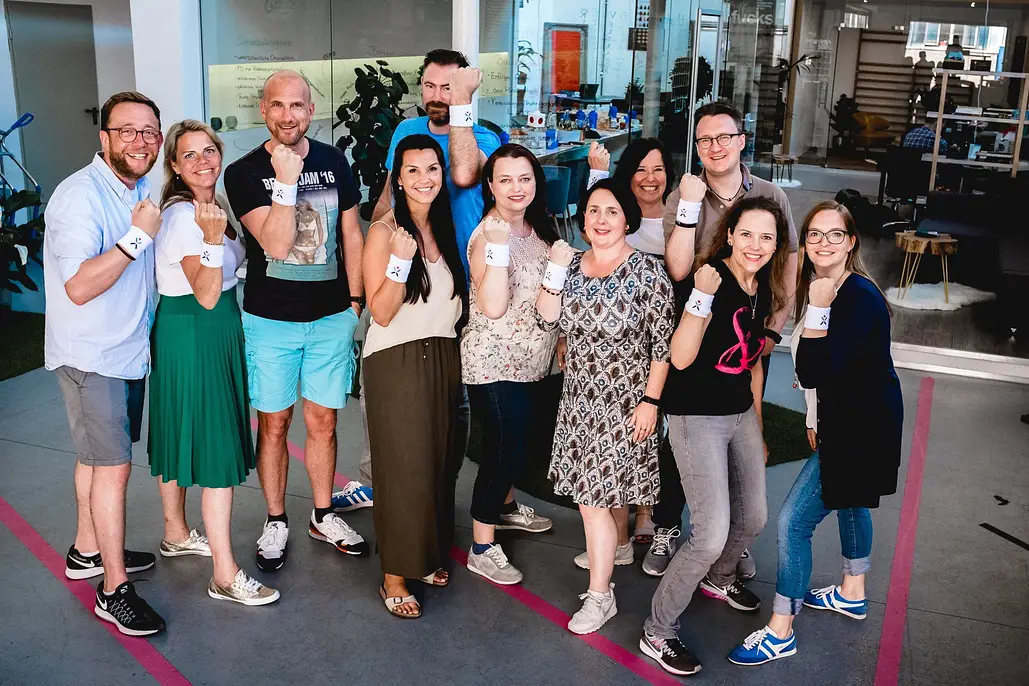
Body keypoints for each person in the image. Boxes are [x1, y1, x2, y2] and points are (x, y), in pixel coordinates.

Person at [728, 200, 903, 665]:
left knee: (792, 523)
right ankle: (852, 589)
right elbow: (829, 374)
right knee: (850, 500)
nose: (823, 242)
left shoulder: (854, 297)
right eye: (814, 234)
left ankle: (781, 628)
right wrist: (813, 418)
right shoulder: (831, 287)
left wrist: (820, 313)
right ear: (804, 244)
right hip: (853, 421)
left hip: (858, 431)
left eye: (834, 234)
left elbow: (811, 368)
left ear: (851, 243)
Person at [647, 102, 800, 579]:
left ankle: (734, 537)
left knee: (740, 438)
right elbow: (676, 267)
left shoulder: (771, 193)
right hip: (693, 337)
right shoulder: (684, 195)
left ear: (740, 140)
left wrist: (774, 328)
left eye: (722, 137)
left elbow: (789, 260)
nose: (714, 147)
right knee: (684, 440)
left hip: (745, 339)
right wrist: (689, 204)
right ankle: (667, 526)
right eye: (704, 140)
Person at [640, 196, 791, 676]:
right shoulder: (709, 280)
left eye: (766, 237)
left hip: (740, 411)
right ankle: (657, 631)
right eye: (746, 234)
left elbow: (752, 364)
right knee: (708, 536)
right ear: (729, 234)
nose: (756, 245)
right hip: (695, 416)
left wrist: (759, 425)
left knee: (754, 518)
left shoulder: (761, 288)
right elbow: (680, 357)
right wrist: (700, 299)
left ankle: (719, 580)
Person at [223, 69, 366, 572]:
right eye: (278, 105)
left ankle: (323, 514)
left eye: (298, 105)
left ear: (311, 110)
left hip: (330, 317)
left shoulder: (333, 161)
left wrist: (355, 303)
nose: (289, 115)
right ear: (263, 110)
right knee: (275, 424)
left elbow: (351, 233)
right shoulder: (242, 173)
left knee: (323, 421)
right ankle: (277, 518)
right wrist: (285, 182)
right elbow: (276, 243)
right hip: (270, 320)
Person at [44, 91, 166, 635]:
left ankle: (86, 551)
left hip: (124, 350)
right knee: (113, 466)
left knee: (97, 460)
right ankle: (113, 589)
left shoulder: (135, 189)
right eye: (128, 130)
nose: (140, 141)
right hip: (92, 354)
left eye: (149, 132)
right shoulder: (79, 197)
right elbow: (77, 286)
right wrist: (138, 236)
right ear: (105, 137)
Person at [148, 119, 278, 606]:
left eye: (209, 151)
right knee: (218, 445)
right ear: (176, 167)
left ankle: (176, 532)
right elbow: (205, 293)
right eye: (190, 155)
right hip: (199, 326)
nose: (203, 161)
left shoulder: (209, 207)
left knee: (180, 427)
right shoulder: (188, 217)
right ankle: (225, 573)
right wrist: (210, 239)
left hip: (196, 327)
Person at [538, 178, 675, 635]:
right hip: (578, 402)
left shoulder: (647, 272)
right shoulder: (572, 266)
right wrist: (555, 271)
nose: (601, 220)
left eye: (612, 211)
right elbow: (547, 316)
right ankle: (609, 556)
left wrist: (651, 401)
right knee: (589, 500)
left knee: (596, 501)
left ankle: (600, 597)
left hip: (624, 403)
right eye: (593, 211)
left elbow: (663, 346)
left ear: (628, 220)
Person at [363, 135, 467, 618]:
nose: (424, 179)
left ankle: (424, 556)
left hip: (443, 357)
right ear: (397, 179)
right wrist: (401, 261)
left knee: (437, 464)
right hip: (396, 360)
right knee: (403, 469)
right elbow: (381, 312)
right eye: (413, 171)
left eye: (432, 169)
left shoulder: (444, 229)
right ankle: (394, 575)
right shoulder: (385, 232)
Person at [461, 144, 561, 585]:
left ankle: (503, 508)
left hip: (534, 359)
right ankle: (482, 545)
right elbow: (494, 306)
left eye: (524, 178)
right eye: (505, 179)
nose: (516, 187)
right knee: (503, 450)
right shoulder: (489, 236)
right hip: (493, 361)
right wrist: (500, 249)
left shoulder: (539, 227)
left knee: (520, 446)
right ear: (490, 186)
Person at [580, 137, 677, 554]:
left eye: (658, 169)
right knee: (619, 439)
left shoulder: (677, 216)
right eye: (640, 169)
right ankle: (617, 535)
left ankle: (646, 514)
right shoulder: (614, 212)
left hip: (660, 335)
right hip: (615, 348)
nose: (649, 178)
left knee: (655, 431)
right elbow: (593, 237)